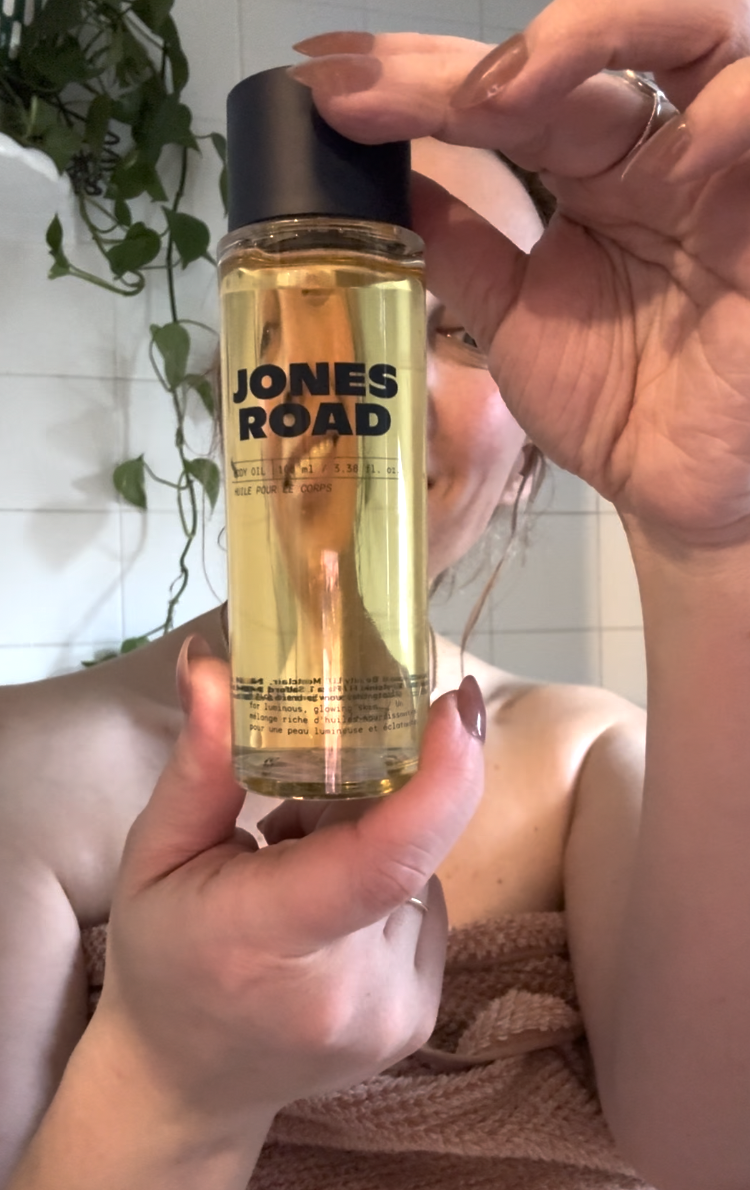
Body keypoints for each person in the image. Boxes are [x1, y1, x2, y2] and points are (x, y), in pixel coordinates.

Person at [3, 0, 750, 1183]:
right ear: (239, 393)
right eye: (323, 315)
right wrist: (171, 1083)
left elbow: (720, 1152)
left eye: (467, 329)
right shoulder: (22, 767)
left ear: (531, 454)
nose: (376, 372)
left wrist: (715, 542)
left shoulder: (597, 763)